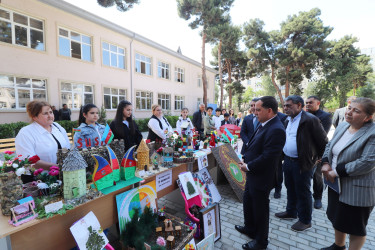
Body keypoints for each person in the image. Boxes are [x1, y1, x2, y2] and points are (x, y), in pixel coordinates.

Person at [320, 97, 375, 250]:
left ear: (368, 117)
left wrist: (335, 172)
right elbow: (330, 145)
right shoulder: (343, 126)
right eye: (350, 108)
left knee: (355, 227)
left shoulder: (372, 133)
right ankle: (339, 245)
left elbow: (367, 162)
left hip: (357, 189)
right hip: (335, 185)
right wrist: (325, 163)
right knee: (337, 218)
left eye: (356, 111)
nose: (350, 112)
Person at [236, 96, 286, 250]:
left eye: (258, 109)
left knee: (260, 210)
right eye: (254, 109)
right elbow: (253, 144)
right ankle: (250, 228)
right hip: (253, 174)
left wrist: (249, 166)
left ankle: (261, 242)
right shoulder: (264, 123)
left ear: (269, 111)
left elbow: (268, 157)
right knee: (248, 202)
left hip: (262, 177)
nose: (254, 112)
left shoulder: (276, 129)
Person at [275, 95, 328, 232]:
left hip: (303, 163)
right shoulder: (288, 120)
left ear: (299, 105)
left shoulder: (311, 120)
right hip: (288, 160)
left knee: (303, 191)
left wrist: (318, 158)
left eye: (289, 105)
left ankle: (305, 220)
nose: (285, 108)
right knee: (290, 187)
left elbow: (323, 142)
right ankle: (291, 212)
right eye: (285, 105)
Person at [15, 101, 70, 169]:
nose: (50, 116)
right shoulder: (26, 133)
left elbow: (68, 148)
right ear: (34, 117)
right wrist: (58, 167)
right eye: (45, 113)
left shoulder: (57, 127)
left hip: (65, 174)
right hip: (41, 177)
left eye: (51, 112)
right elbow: (30, 160)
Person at [305, 95, 333, 209]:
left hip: (317, 151)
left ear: (318, 103)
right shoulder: (304, 114)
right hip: (304, 151)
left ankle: (318, 198)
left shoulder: (325, 116)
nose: (308, 104)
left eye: (310, 102)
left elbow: (322, 136)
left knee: (317, 177)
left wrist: (320, 155)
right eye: (306, 102)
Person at [273, 111, 287, 199]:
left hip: (278, 149)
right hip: (265, 148)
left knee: (278, 170)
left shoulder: (283, 117)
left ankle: (278, 189)